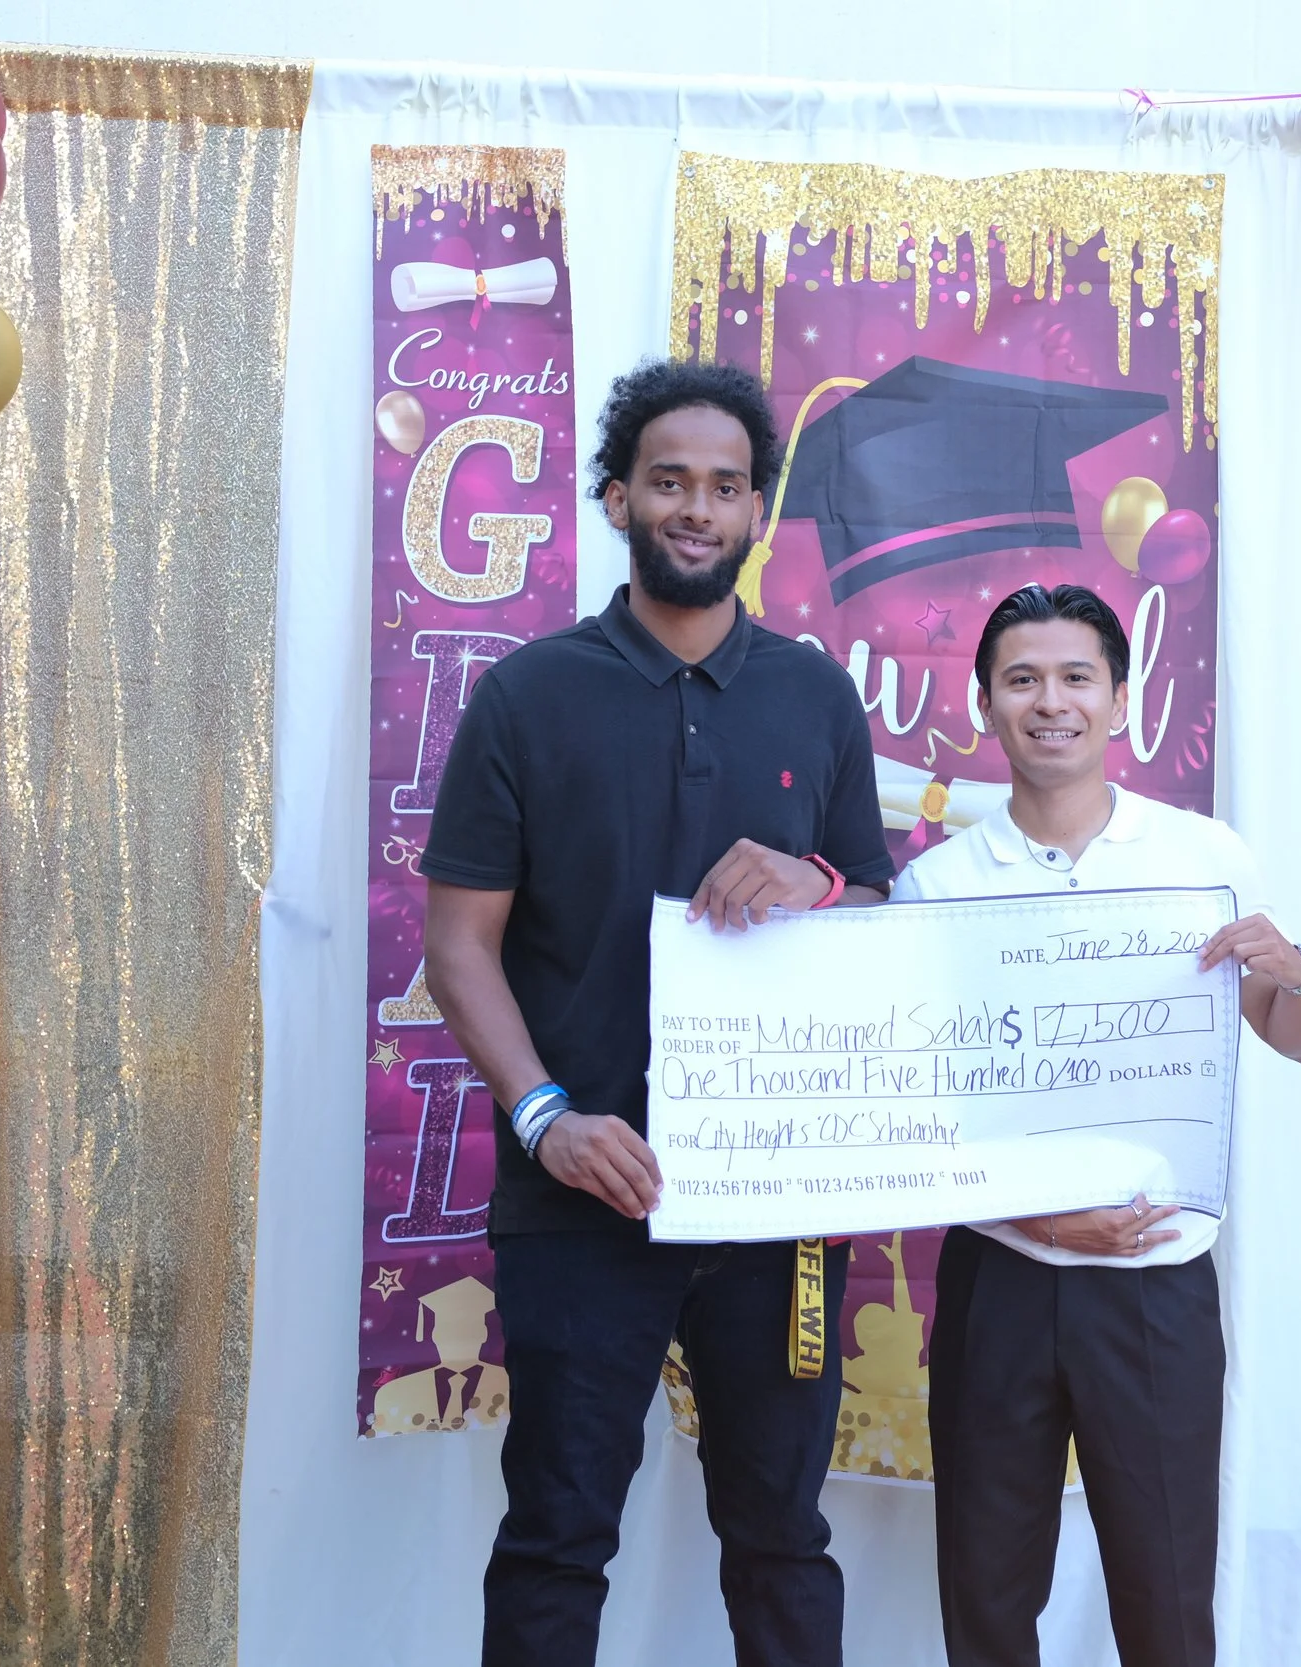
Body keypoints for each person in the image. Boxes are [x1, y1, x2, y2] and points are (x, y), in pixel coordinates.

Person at [420, 359, 895, 1667]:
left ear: (755, 511)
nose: (697, 506)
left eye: (726, 486)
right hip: (585, 1191)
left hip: (777, 1204)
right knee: (557, 1536)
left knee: (783, 1535)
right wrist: (546, 1118)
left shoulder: (814, 693)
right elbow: (458, 943)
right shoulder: (527, 694)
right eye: (670, 480)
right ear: (618, 496)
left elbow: (874, 904)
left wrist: (817, 881)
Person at [892, 583, 1301, 1667]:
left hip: (1153, 1278)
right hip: (999, 1278)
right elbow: (917, 1115)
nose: (1051, 701)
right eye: (1022, 679)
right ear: (985, 704)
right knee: (987, 1597)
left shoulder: (1202, 855)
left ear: (1120, 701)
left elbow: (1300, 1038)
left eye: (1076, 677)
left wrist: (1296, 973)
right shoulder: (935, 887)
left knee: (1167, 1595)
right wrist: (1041, 1221)